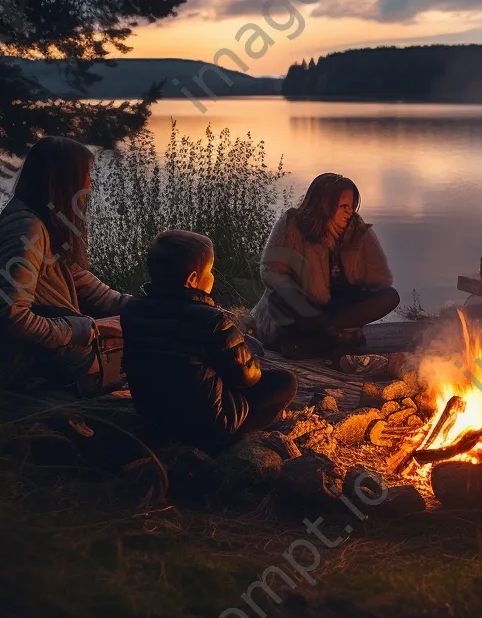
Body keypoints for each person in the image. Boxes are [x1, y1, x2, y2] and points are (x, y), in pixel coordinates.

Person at [121, 230, 297, 454]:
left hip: (154, 417)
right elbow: (248, 377)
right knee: (284, 382)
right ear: (193, 280)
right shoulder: (210, 320)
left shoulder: (132, 311)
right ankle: (234, 443)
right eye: (210, 271)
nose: (213, 276)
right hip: (209, 428)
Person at [0, 136, 131, 392]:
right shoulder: (27, 229)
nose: (89, 185)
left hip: (48, 361)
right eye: (86, 176)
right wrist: (89, 329)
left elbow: (95, 292)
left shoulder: (45, 227)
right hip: (31, 370)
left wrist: (156, 307)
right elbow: (11, 316)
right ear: (64, 181)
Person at [249, 173, 400, 356]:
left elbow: (380, 280)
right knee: (281, 298)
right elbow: (271, 272)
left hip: (339, 309)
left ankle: (325, 335)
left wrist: (358, 304)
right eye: (343, 206)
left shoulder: (359, 232)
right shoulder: (293, 224)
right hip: (306, 308)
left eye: (351, 206)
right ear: (324, 205)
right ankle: (332, 337)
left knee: (390, 296)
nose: (349, 212)